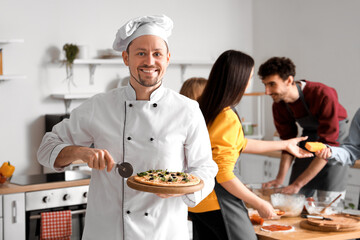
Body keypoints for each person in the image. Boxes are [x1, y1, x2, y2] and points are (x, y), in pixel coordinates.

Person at [37, 14, 218, 240]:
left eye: (157, 54)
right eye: (141, 53)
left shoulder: (187, 110)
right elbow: (45, 149)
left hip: (163, 231)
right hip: (106, 231)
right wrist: (81, 152)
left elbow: (206, 169)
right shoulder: (99, 106)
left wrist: (182, 189)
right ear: (126, 58)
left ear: (168, 58)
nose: (149, 62)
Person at [188, 50, 313, 240]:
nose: (250, 81)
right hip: (219, 202)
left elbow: (239, 143)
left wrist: (284, 145)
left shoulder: (204, 109)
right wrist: (259, 203)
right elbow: (223, 174)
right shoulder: (226, 116)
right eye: (250, 76)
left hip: (197, 202)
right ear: (239, 79)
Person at [258, 57, 349, 202]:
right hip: (309, 137)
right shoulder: (279, 105)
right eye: (265, 85)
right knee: (295, 196)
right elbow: (287, 144)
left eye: (272, 84)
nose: (267, 91)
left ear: (289, 80)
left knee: (327, 200)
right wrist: (279, 179)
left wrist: (298, 183)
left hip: (335, 139)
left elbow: (328, 143)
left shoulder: (322, 94)